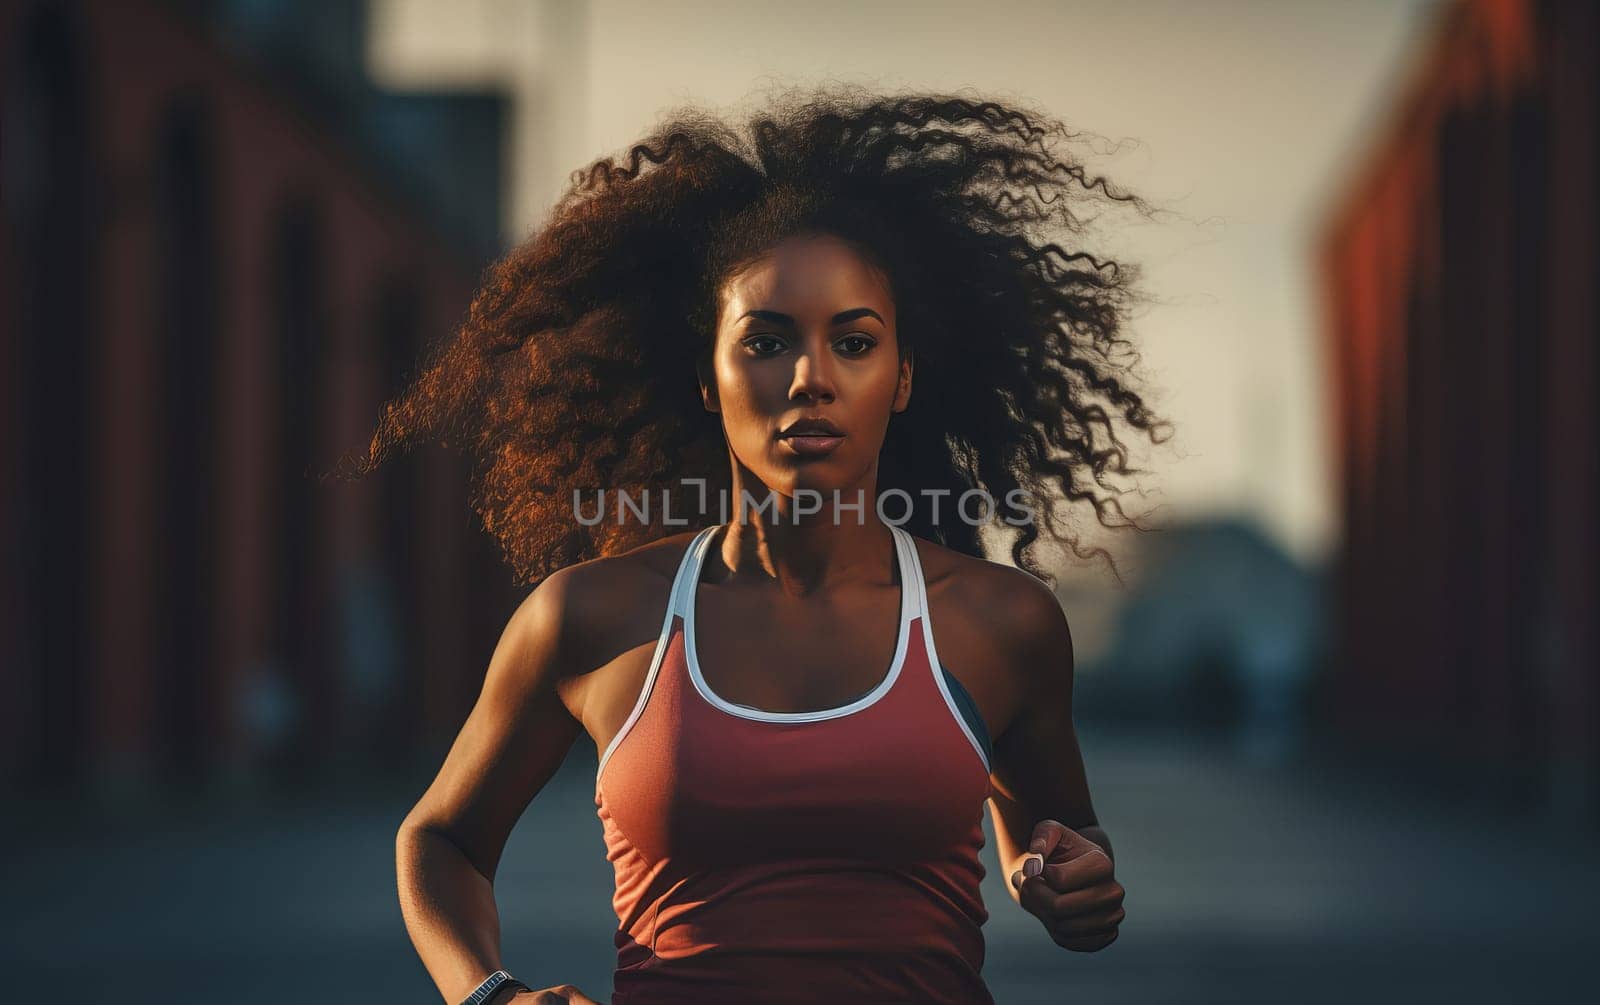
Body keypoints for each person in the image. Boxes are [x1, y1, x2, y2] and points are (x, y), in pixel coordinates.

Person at [375, 85, 1167, 1005]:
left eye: (855, 341)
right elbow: (440, 840)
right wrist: (492, 995)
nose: (810, 379)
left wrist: (1077, 881)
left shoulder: (1001, 623)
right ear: (707, 379)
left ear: (903, 377)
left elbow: (1061, 840)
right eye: (767, 340)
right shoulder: (587, 617)